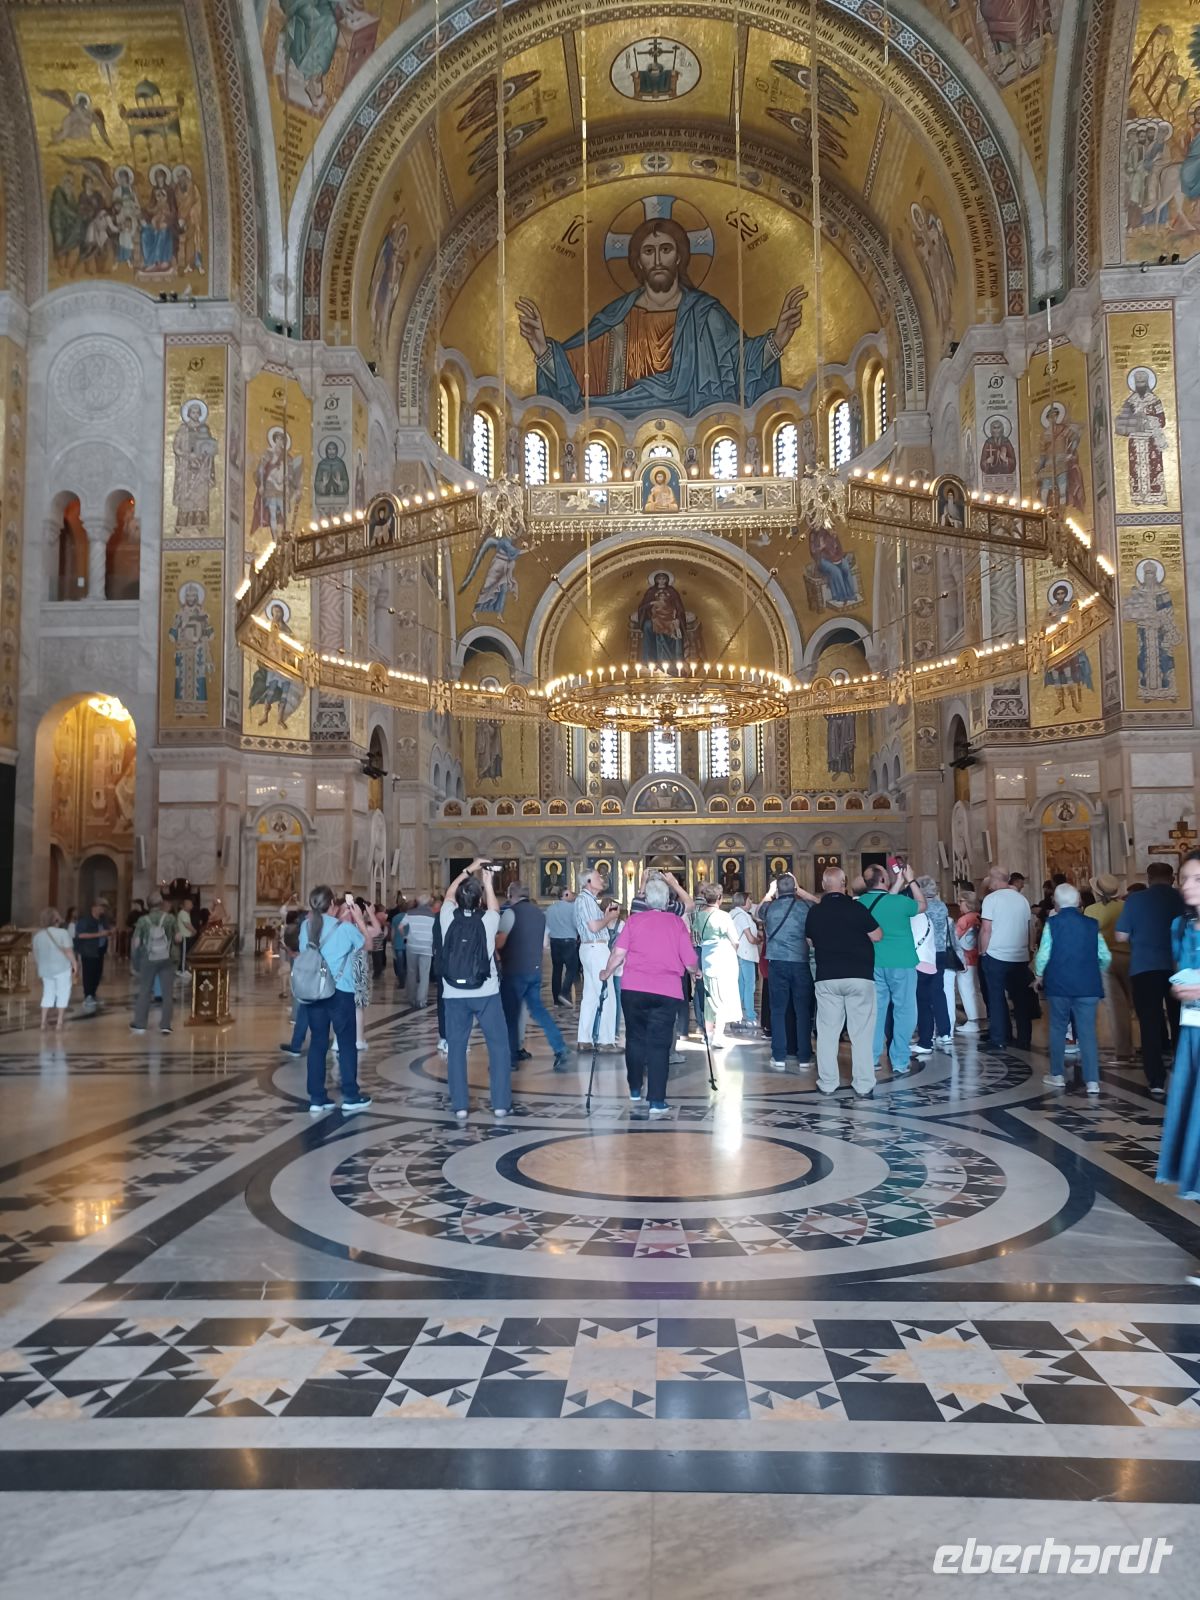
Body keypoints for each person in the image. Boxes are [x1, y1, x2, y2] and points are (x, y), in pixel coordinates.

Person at [601, 875, 699, 1115]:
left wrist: (607, 972)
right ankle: (656, 1101)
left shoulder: (634, 921)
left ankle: (635, 1089)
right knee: (659, 1044)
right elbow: (689, 960)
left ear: (645, 898)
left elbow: (618, 952)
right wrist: (696, 973)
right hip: (666, 991)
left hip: (633, 989)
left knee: (635, 1038)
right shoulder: (676, 923)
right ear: (666, 901)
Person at [440, 861, 512, 1122]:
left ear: (457, 901)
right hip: (486, 992)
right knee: (498, 1046)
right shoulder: (488, 920)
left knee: (456, 1048)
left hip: (452, 992)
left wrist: (470, 869)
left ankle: (460, 1105)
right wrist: (489, 882)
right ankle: (501, 1104)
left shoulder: (447, 917)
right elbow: (494, 906)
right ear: (480, 900)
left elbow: (449, 893)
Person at [805, 866, 883, 1097]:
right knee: (861, 1033)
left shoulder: (815, 912)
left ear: (823, 885)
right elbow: (877, 935)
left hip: (827, 977)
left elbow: (810, 942)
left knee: (827, 1032)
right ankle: (864, 1084)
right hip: (859, 976)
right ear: (844, 883)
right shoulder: (856, 907)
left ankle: (828, 1083)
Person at [296, 886, 371, 1115]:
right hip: (340, 992)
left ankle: (317, 1098)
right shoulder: (344, 928)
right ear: (332, 905)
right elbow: (367, 944)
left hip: (314, 992)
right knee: (346, 1044)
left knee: (318, 1043)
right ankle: (350, 1094)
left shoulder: (305, 927)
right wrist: (358, 917)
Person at [1116, 861, 1185, 1099]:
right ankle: (1183, 1071)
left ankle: (1156, 1080)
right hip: (1179, 968)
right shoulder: (1183, 898)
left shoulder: (1135, 900)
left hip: (1144, 968)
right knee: (1180, 1022)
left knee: (1150, 1023)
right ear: (1173, 878)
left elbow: (1121, 936)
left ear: (1148, 878)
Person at [1036, 883, 1110, 1095]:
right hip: (1088, 985)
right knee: (1087, 1032)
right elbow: (1105, 955)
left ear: (1056, 903)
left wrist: (1039, 975)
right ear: (1079, 902)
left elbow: (1043, 954)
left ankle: (1057, 1075)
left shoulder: (1053, 923)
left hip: (1059, 983)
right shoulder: (1092, 924)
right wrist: (1096, 971)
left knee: (1058, 1028)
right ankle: (1092, 1081)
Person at [1157, 851, 1200, 1201]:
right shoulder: (1180, 926)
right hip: (1192, 1032)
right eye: (1183, 878)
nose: (1186, 886)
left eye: (1197, 879)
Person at [496, 881, 571, 1071]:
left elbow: (501, 942)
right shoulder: (539, 914)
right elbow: (544, 943)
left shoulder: (510, 913)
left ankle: (510, 1058)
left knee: (511, 1016)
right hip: (534, 970)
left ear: (510, 894)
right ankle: (560, 1047)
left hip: (514, 970)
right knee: (539, 1011)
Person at [859, 862, 926, 1075]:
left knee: (876, 1012)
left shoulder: (860, 902)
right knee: (904, 1010)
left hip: (873, 963)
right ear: (883, 880)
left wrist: (896, 883)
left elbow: (882, 902)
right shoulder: (899, 902)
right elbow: (922, 905)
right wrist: (911, 881)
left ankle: (871, 1058)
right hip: (902, 963)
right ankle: (899, 1060)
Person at [761, 872, 819, 1072]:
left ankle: (778, 1056)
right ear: (794, 889)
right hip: (800, 962)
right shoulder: (805, 907)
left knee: (777, 1010)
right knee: (803, 1010)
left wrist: (769, 893)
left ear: (777, 889)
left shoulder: (769, 908)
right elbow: (819, 904)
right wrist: (802, 892)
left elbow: (756, 913)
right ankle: (804, 1057)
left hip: (777, 963)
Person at [979, 867, 1034, 1051]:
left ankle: (999, 1038)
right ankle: (1024, 1039)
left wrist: (983, 951)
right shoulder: (1022, 899)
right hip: (1019, 956)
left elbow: (986, 929)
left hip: (996, 955)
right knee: (1021, 1000)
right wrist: (1028, 950)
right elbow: (1030, 928)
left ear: (994, 880)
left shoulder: (991, 899)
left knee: (996, 998)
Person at [1087, 874, 1133, 1059]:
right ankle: (1147, 1045)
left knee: (1116, 1007)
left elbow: (1089, 938)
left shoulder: (1091, 910)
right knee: (1135, 1005)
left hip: (1106, 960)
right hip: (1130, 957)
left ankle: (1124, 1051)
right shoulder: (1126, 906)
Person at [691, 883, 742, 1048]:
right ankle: (718, 1035)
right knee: (721, 996)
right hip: (722, 959)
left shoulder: (699, 916)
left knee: (708, 997)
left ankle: (709, 1034)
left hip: (706, 957)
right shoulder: (724, 916)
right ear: (719, 898)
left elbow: (695, 937)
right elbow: (735, 941)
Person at [575, 866, 620, 1050]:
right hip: (595, 949)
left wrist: (604, 916)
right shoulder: (584, 900)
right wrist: (609, 918)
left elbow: (593, 924)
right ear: (588, 882)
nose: (601, 880)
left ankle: (584, 1040)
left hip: (591, 948)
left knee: (591, 995)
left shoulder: (590, 901)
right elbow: (594, 927)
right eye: (597, 877)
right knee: (606, 994)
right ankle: (605, 1041)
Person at [913, 875, 954, 1053]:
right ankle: (945, 1032)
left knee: (922, 995)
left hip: (926, 953)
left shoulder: (920, 907)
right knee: (938, 991)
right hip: (942, 951)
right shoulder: (942, 906)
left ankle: (924, 1034)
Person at [130, 894, 181, 1035]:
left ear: (148, 905)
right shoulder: (170, 918)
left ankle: (140, 1024)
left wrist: (136, 961)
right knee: (167, 993)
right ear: (161, 903)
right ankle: (165, 1024)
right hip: (166, 959)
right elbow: (178, 938)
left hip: (148, 959)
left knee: (145, 991)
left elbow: (137, 942)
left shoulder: (143, 920)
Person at [33, 908, 76, 1031]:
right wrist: (75, 964)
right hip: (62, 968)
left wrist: (40, 967)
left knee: (47, 994)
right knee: (63, 993)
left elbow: (37, 955)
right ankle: (59, 1022)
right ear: (55, 919)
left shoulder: (38, 936)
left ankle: (42, 1022)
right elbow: (68, 951)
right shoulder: (63, 933)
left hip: (46, 970)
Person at [952, 890, 986, 1033]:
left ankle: (972, 1021)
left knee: (966, 991)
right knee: (977, 990)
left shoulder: (964, 920)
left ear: (967, 902)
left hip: (965, 959)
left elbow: (955, 940)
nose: (959, 905)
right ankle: (983, 1018)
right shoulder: (979, 917)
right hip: (978, 957)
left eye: (960, 901)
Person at [72, 900, 111, 1013]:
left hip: (100, 950)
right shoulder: (85, 921)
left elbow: (106, 931)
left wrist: (109, 932)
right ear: (94, 908)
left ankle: (93, 994)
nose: (103, 910)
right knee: (89, 973)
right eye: (101, 907)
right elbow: (80, 935)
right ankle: (88, 995)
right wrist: (99, 934)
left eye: (104, 907)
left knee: (97, 973)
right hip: (89, 951)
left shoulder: (103, 920)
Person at [400, 892, 437, 1008]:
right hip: (427, 947)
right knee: (424, 975)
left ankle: (411, 998)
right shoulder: (433, 915)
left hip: (412, 946)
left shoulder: (410, 913)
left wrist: (405, 937)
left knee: (411, 972)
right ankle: (421, 1000)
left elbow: (400, 927)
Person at [544, 888, 580, 1005]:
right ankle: (564, 993)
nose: (573, 895)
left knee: (557, 970)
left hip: (555, 942)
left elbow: (547, 925)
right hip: (568, 941)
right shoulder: (572, 907)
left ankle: (556, 1000)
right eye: (570, 893)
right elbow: (576, 923)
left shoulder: (550, 909)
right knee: (572, 968)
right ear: (565, 895)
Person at [730, 890, 760, 1026]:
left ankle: (738, 1013)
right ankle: (750, 1014)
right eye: (749, 900)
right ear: (743, 902)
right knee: (749, 985)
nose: (751, 902)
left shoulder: (732, 914)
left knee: (740, 985)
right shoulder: (742, 916)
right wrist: (759, 940)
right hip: (746, 953)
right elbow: (750, 938)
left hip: (737, 954)